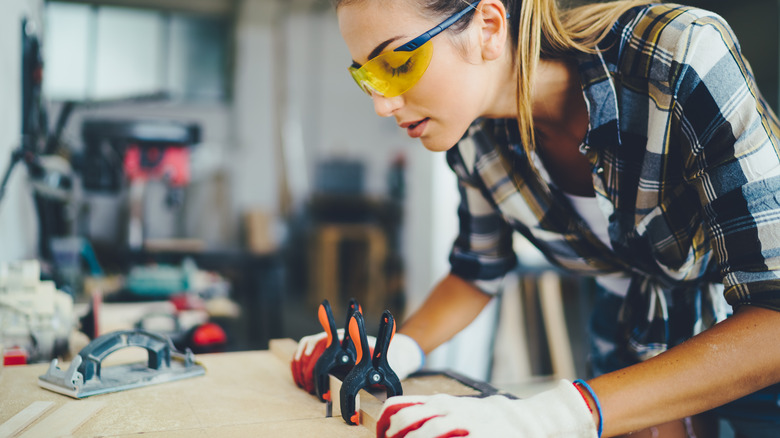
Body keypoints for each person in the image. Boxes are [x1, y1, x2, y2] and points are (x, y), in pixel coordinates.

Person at [292, 0, 780, 436]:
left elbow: (774, 315)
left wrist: (549, 415)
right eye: (366, 77)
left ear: (487, 25)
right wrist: (395, 350)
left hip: (749, 360)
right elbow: (477, 270)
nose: (382, 104)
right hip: (627, 350)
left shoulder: (679, 53)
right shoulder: (474, 139)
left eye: (396, 63)